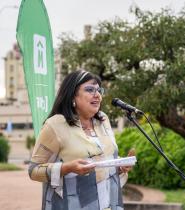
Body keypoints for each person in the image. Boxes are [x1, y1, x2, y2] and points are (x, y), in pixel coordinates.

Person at [28, 70, 134, 210]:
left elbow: (101, 161)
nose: (97, 95)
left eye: (99, 90)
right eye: (90, 90)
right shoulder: (55, 125)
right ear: (72, 95)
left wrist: (120, 166)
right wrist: (67, 168)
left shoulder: (103, 120)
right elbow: (34, 170)